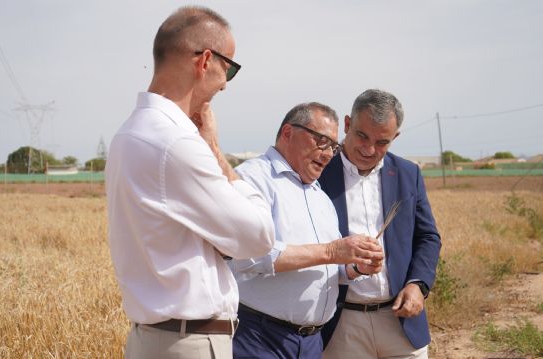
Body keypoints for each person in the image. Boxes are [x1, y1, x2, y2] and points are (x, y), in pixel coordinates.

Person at [104, 6, 276, 359]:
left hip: (152, 339)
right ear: (205, 61)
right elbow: (258, 236)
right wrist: (214, 149)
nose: (226, 84)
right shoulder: (177, 144)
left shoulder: (128, 135)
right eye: (229, 68)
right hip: (189, 342)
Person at [229, 102, 385, 358]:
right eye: (321, 141)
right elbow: (249, 255)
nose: (327, 154)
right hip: (259, 338)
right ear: (288, 133)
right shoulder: (252, 179)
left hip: (312, 341)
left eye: (334, 147)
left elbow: (328, 267)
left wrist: (356, 266)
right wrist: (334, 251)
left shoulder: (318, 195)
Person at [318, 89, 442, 358]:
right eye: (362, 136)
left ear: (394, 138)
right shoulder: (318, 173)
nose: (369, 149)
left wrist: (418, 285)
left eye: (382, 142)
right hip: (339, 325)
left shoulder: (409, 174)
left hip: (400, 323)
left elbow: (428, 237)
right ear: (348, 125)